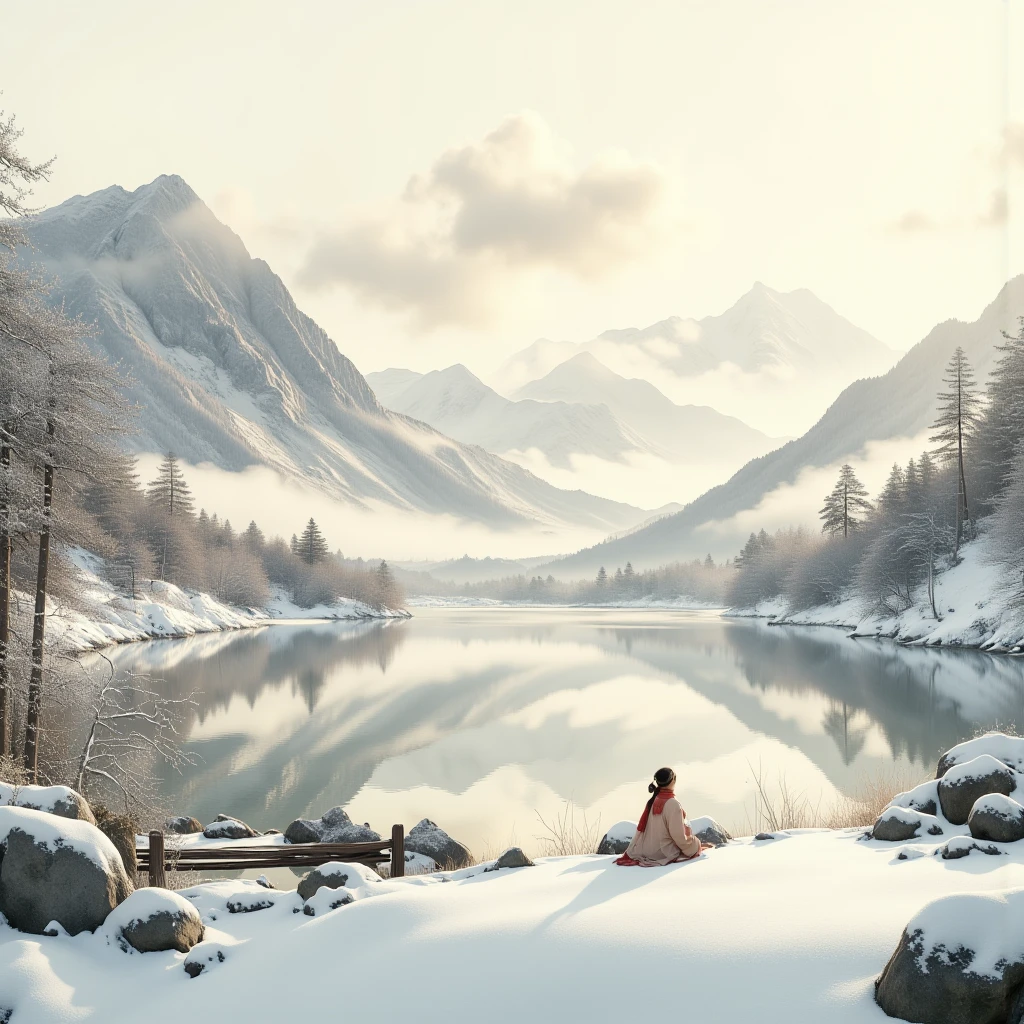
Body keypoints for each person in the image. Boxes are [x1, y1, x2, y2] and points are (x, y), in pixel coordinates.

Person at [615, 767, 704, 866]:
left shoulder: (654, 798)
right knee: (696, 844)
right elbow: (678, 836)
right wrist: (693, 845)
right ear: (673, 781)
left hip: (646, 850)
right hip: (662, 853)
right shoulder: (673, 804)